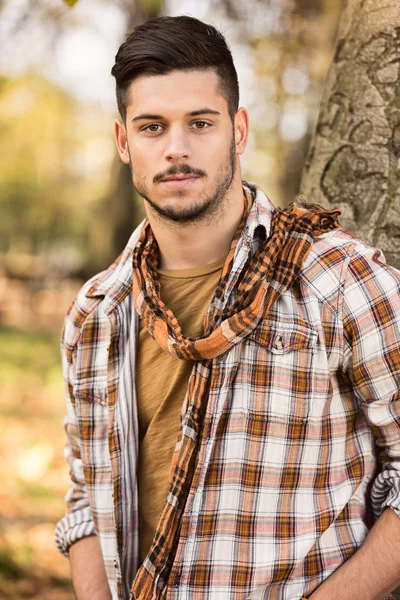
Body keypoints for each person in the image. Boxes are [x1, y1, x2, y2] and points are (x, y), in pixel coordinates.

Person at [54, 15, 400, 600]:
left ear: (238, 130)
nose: (177, 148)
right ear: (123, 142)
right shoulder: (95, 315)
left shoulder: (339, 280)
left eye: (200, 123)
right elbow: (88, 493)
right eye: (152, 127)